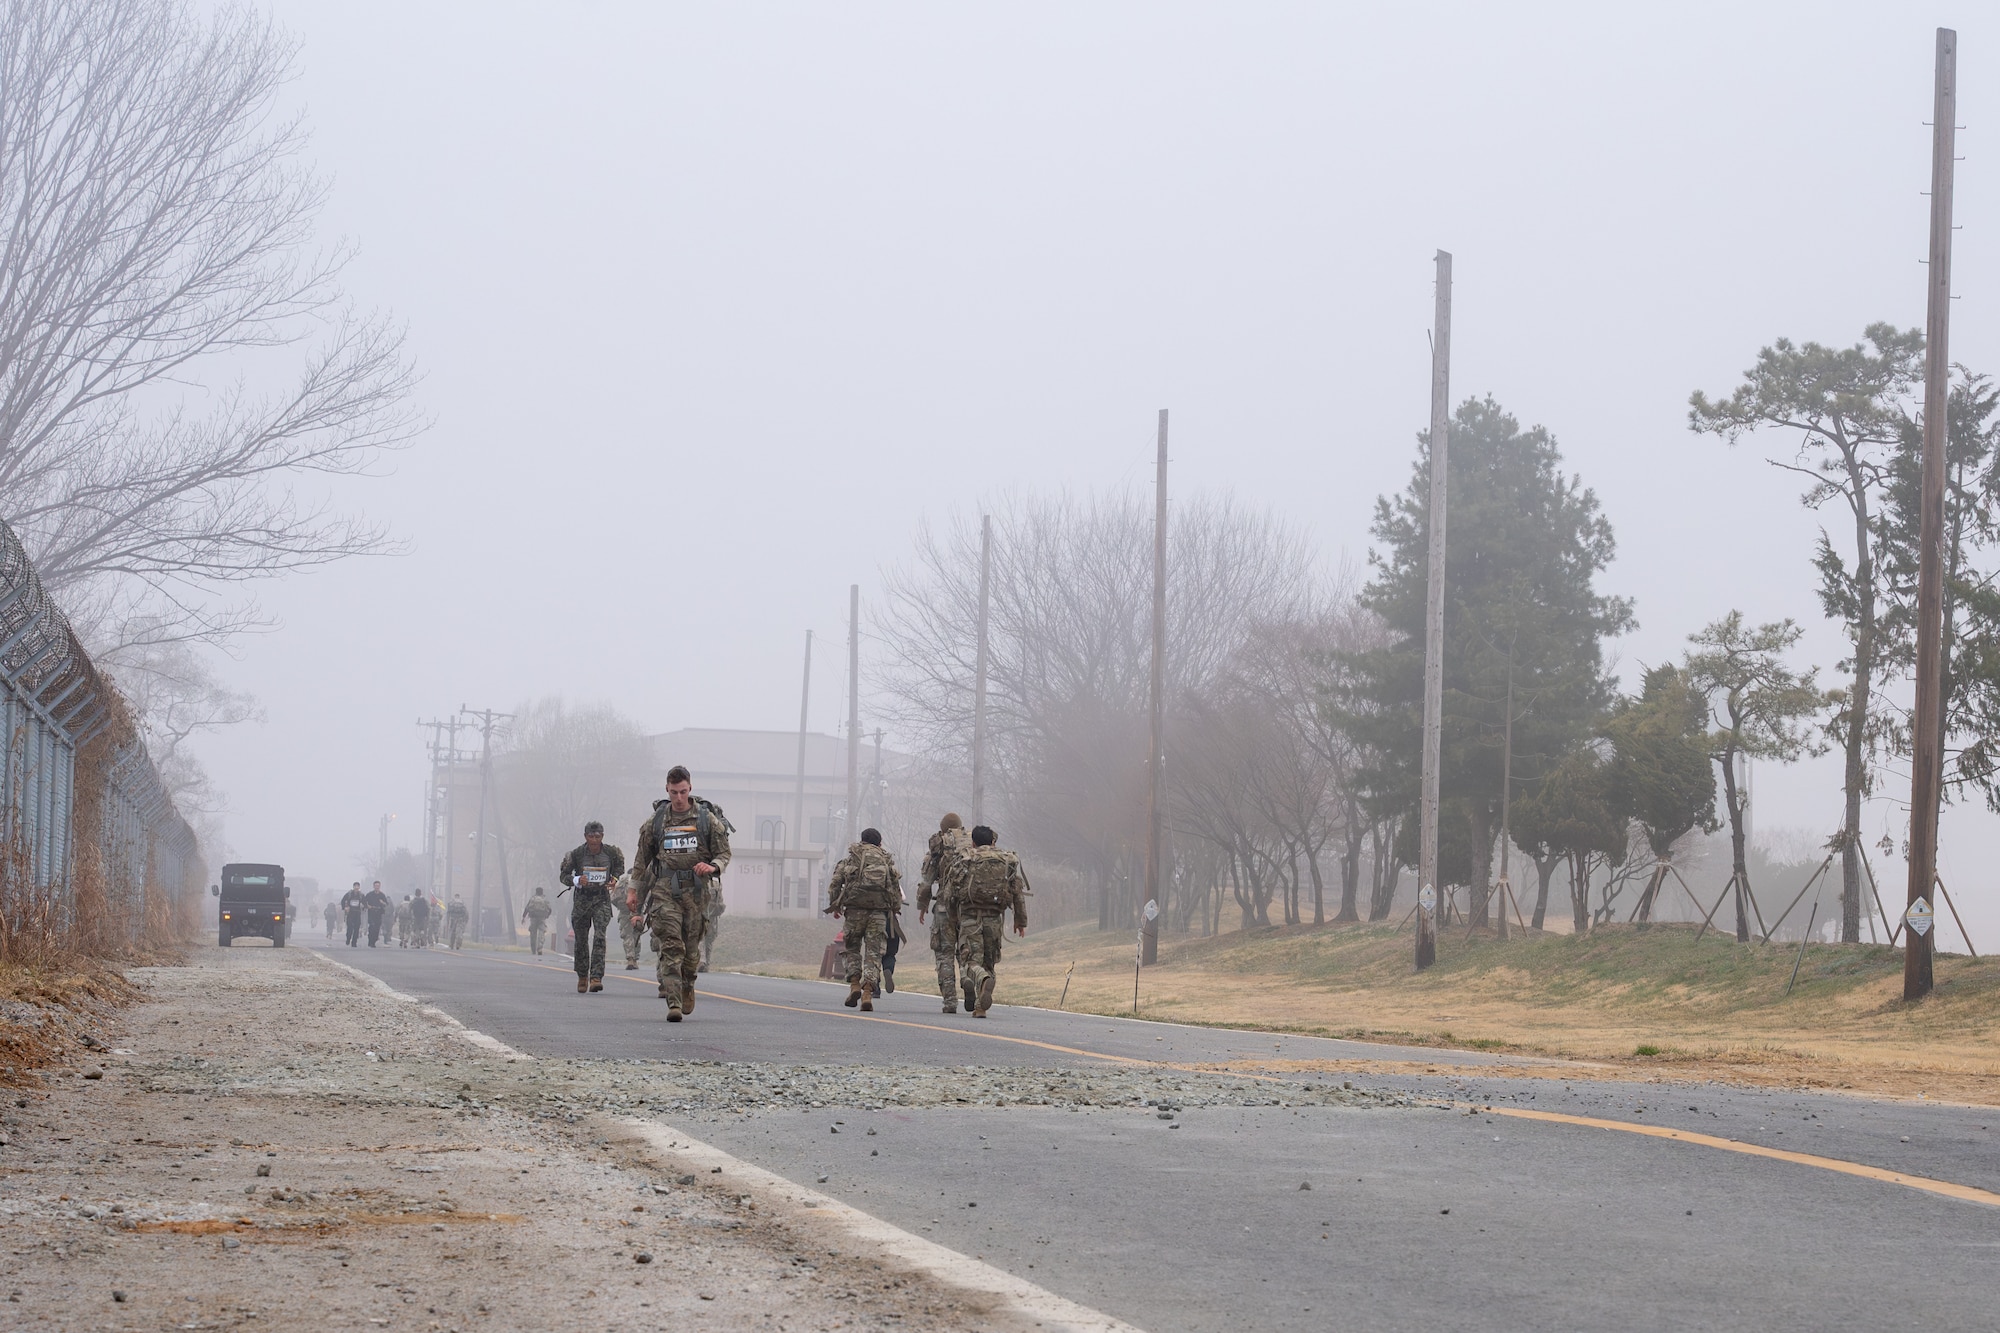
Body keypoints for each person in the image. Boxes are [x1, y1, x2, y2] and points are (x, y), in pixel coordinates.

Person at [631, 766, 730, 1022]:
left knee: (691, 951)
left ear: (690, 789)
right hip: (665, 889)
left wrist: (712, 866)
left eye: (683, 791)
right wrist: (634, 891)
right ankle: (673, 1003)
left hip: (696, 892)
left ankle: (688, 984)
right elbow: (642, 860)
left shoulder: (707, 820)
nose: (678, 797)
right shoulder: (656, 822)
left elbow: (724, 853)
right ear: (667, 789)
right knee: (671, 945)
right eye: (674, 792)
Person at [947, 825, 1029, 1018]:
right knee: (989, 962)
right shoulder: (1006, 859)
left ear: (973, 842)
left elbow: (951, 892)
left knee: (970, 961)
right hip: (994, 918)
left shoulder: (964, 858)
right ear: (993, 841)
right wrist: (1020, 920)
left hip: (970, 917)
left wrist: (952, 917)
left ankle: (981, 979)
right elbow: (1017, 891)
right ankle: (980, 1007)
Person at [826, 828, 900, 1011]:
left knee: (852, 949)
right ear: (879, 843)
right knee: (874, 954)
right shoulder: (885, 859)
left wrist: (835, 905)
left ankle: (854, 985)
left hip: (854, 912)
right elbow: (895, 887)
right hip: (878, 914)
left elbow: (835, 883)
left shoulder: (852, 858)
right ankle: (868, 993)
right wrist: (894, 908)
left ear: (862, 841)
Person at [558, 821, 625, 993]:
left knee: (600, 937)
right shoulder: (576, 854)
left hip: (601, 899)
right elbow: (564, 875)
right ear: (585, 836)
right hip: (582, 900)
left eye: (597, 836)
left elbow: (619, 866)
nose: (594, 840)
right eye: (591, 836)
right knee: (581, 939)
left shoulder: (611, 852)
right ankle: (582, 976)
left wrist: (615, 878)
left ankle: (596, 977)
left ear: (602, 836)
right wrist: (576, 880)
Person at [917, 814, 972, 1013]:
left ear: (942, 829)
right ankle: (968, 980)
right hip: (967, 908)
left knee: (944, 954)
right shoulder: (971, 845)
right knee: (966, 952)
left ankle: (950, 1002)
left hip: (943, 907)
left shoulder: (938, 848)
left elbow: (926, 881)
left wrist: (922, 905)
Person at [614, 874, 646, 971]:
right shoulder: (642, 880)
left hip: (624, 911)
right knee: (636, 935)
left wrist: (621, 907)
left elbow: (614, 897)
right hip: (638, 911)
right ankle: (635, 959)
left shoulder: (622, 881)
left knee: (627, 936)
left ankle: (630, 959)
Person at [698, 876, 726, 974]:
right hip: (706, 916)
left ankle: (704, 963)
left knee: (705, 939)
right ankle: (703, 963)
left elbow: (720, 902)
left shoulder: (713, 884)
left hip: (708, 916)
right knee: (703, 940)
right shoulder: (715, 884)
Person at [522, 886, 553, 956]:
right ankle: (540, 947)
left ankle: (533, 950)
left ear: (536, 892)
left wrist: (523, 917)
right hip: (542, 918)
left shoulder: (532, 899)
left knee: (533, 934)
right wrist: (547, 915)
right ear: (542, 892)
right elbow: (550, 909)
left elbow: (527, 908)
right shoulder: (545, 899)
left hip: (533, 918)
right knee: (541, 933)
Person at [363, 881, 391, 947]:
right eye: (376, 886)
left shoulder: (382, 895)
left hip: (379, 913)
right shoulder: (369, 894)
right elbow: (364, 902)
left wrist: (382, 902)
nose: (377, 887)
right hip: (371, 913)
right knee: (372, 927)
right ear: (373, 886)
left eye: (378, 886)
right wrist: (368, 906)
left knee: (377, 928)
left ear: (380, 886)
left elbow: (386, 904)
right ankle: (370, 942)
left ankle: (374, 940)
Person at [340, 882, 365, 948]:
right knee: (350, 928)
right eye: (355, 886)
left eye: (358, 886)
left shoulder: (361, 895)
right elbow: (342, 901)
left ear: (359, 887)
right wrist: (345, 907)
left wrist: (363, 907)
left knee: (356, 928)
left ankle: (354, 942)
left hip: (357, 913)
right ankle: (348, 938)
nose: (356, 888)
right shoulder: (349, 894)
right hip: (350, 913)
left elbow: (365, 903)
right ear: (353, 887)